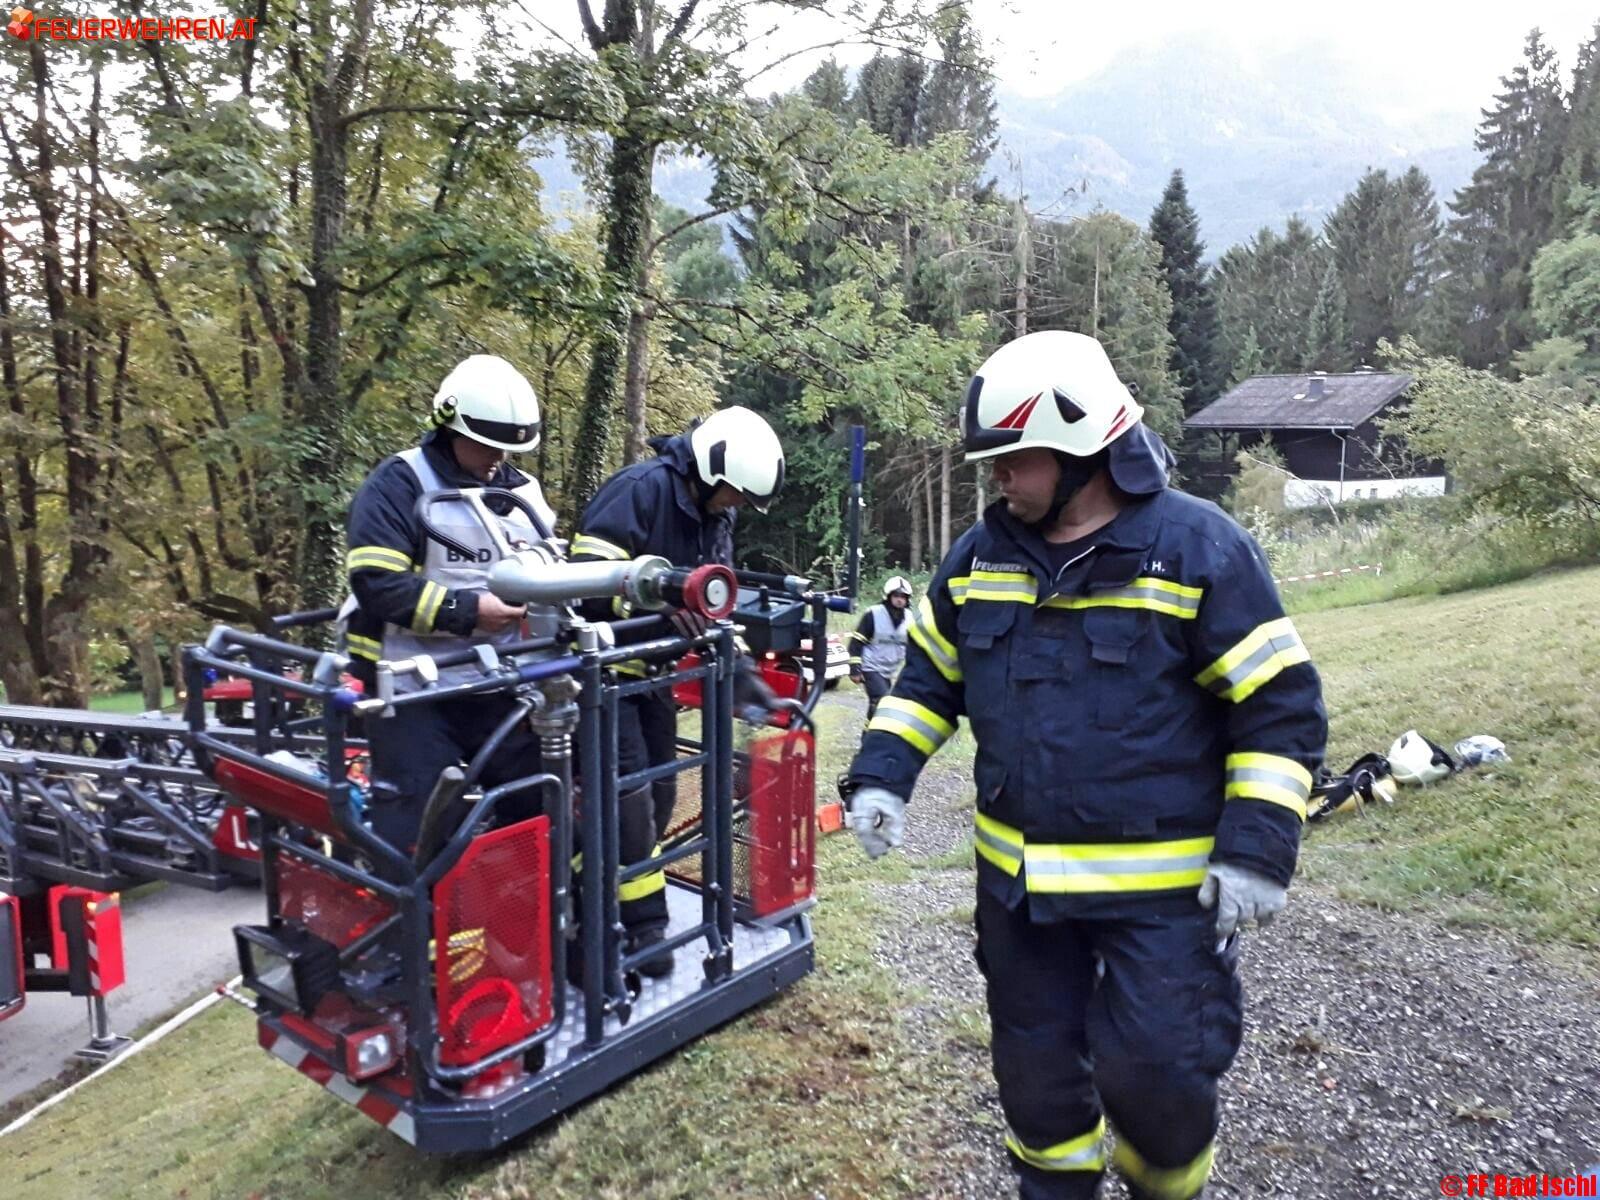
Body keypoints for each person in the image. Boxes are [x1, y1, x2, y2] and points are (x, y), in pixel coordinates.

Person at [840, 331, 1326, 1200]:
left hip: (1166, 900)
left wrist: (1257, 847)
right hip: (1019, 895)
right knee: (1035, 1080)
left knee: (1160, 1079)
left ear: (1080, 449)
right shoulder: (977, 558)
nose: (996, 479)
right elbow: (924, 684)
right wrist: (882, 773)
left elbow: (1277, 705)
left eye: (1012, 460)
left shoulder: (1197, 550)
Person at [570, 405, 786, 975]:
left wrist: (744, 678)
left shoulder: (716, 517)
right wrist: (661, 602)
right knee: (628, 801)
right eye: (736, 493)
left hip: (654, 678)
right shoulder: (637, 492)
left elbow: (713, 601)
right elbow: (585, 589)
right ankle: (641, 930)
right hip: (602, 676)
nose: (739, 505)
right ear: (710, 472)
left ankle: (603, 907)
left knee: (661, 794)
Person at [343, 354, 555, 851]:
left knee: (534, 803)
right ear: (447, 428)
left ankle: (513, 916)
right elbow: (377, 583)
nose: (497, 458)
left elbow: (550, 567)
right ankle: (418, 926)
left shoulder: (525, 493)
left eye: (506, 448)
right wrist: (469, 612)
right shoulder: (399, 485)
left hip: (500, 684)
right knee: (421, 825)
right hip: (412, 690)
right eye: (485, 444)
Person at [848, 576, 913, 719]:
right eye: (896, 595)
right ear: (888, 596)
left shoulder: (910, 618)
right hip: (871, 667)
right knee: (881, 701)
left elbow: (914, 646)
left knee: (886, 704)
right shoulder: (873, 614)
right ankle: (871, 737)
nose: (900, 599)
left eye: (903, 596)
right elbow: (856, 642)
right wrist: (855, 669)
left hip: (890, 670)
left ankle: (869, 733)